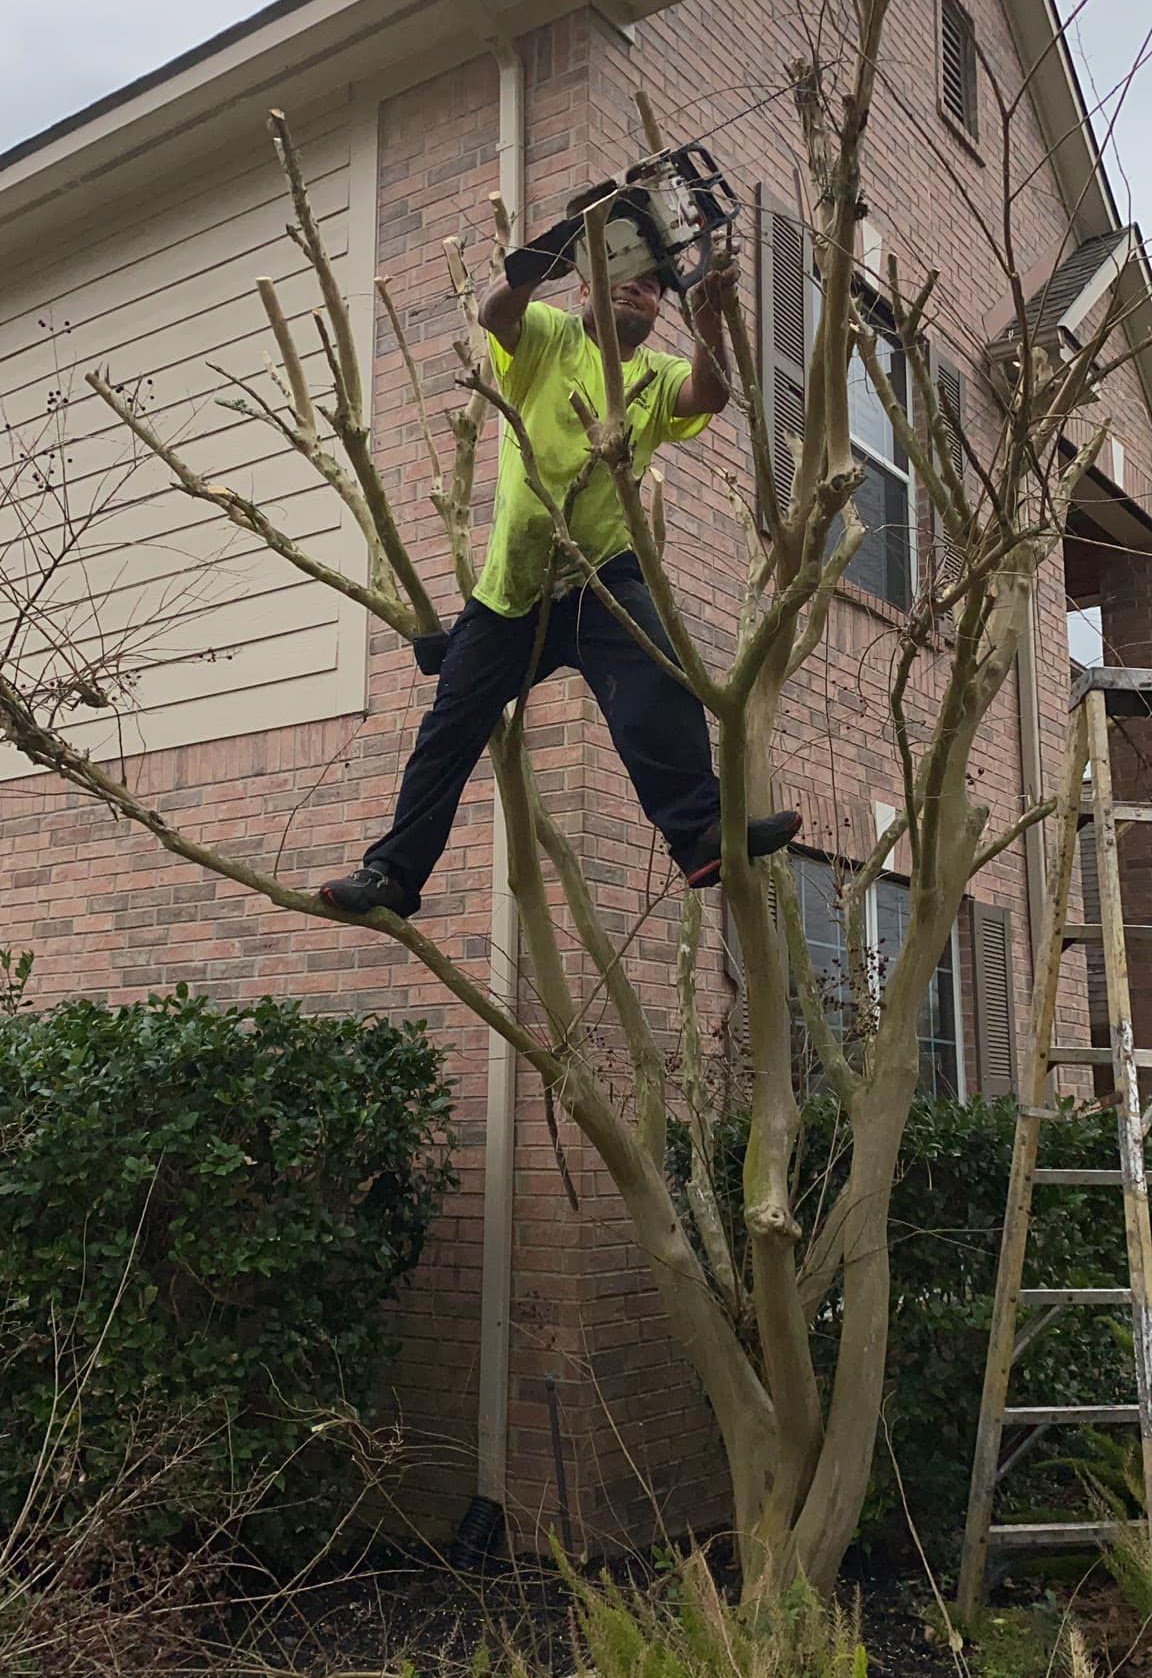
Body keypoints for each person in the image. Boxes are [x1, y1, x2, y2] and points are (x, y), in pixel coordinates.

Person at [320, 252, 800, 919]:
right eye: (620, 271)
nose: (636, 285)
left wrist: (711, 318)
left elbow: (709, 394)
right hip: (513, 590)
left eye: (653, 285)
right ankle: (392, 876)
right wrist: (535, 259)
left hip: (604, 575)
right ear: (587, 284)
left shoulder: (657, 375)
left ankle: (702, 837)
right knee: (449, 732)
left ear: (661, 308)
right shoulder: (547, 332)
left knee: (663, 684)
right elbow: (496, 313)